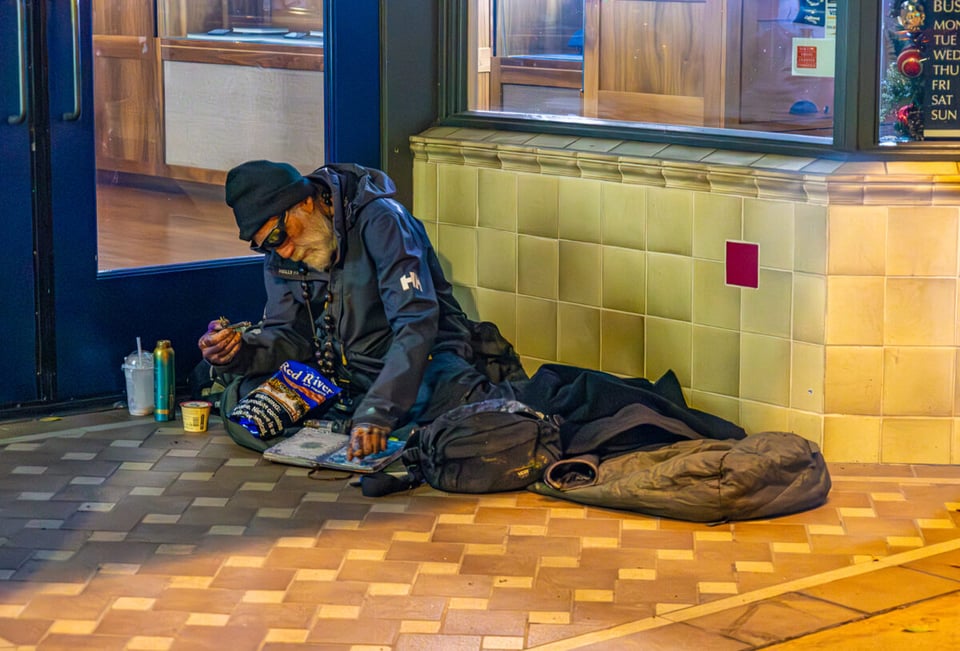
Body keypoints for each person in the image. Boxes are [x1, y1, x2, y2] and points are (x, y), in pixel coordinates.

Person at [198, 160, 512, 459]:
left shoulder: (383, 221)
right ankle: (358, 420)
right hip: (343, 377)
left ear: (305, 202)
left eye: (279, 235)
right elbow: (288, 336)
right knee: (246, 402)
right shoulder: (283, 253)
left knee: (452, 413)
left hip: (414, 367)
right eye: (266, 245)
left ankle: (370, 419)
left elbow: (415, 323)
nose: (283, 250)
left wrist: (379, 408)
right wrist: (238, 353)